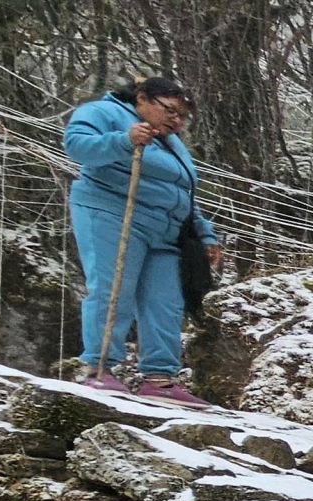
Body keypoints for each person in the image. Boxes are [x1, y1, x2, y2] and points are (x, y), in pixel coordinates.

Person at [62, 76, 221, 407]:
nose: (176, 121)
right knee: (113, 288)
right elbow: (76, 145)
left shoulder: (170, 141)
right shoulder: (102, 111)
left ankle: (160, 378)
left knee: (165, 301)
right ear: (143, 98)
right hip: (114, 212)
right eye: (171, 111)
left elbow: (183, 190)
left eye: (182, 117)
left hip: (166, 229)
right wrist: (124, 140)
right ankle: (100, 369)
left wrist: (204, 232)